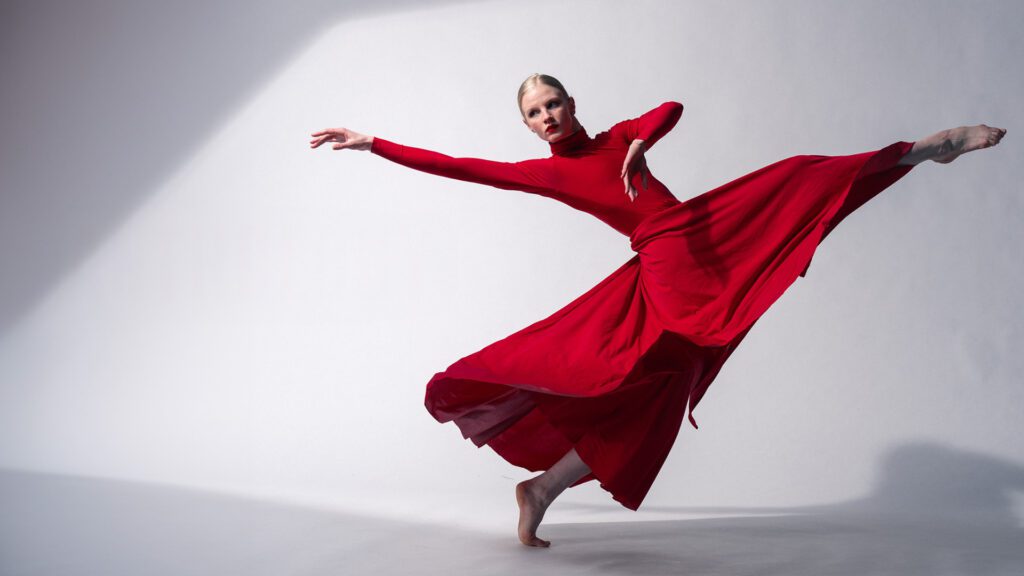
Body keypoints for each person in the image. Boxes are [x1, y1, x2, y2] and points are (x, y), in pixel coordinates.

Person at [310, 73, 1006, 547]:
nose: (548, 116)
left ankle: (922, 151)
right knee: (662, 386)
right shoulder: (548, 171)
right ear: (528, 127)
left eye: (554, 102)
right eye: (534, 112)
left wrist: (642, 141)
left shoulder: (616, 138)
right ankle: (545, 487)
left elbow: (670, 107)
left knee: (797, 175)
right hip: (666, 262)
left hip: (704, 226)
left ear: (572, 103)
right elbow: (460, 165)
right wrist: (376, 145)